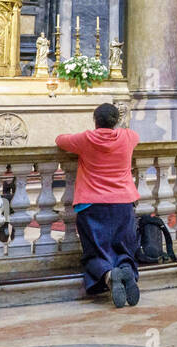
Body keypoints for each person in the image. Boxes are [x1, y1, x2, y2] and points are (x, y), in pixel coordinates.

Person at [55, 104, 142, 307]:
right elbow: (136, 137)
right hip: (123, 203)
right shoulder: (129, 137)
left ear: (95, 120)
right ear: (116, 120)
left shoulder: (86, 139)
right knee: (124, 247)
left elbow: (60, 140)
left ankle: (110, 275)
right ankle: (127, 270)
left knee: (94, 250)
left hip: (92, 205)